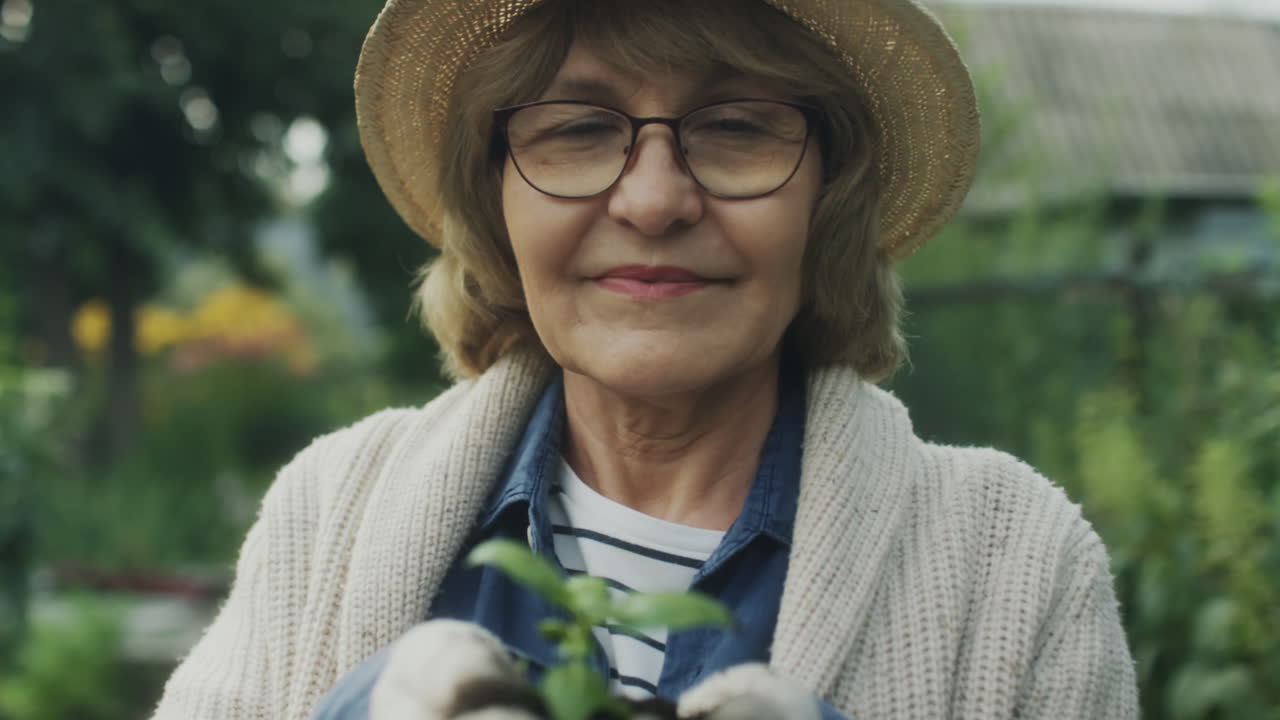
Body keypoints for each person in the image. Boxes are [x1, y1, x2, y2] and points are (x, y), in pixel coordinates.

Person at [151, 0, 1140, 718]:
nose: (653, 200)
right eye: (579, 130)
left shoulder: (1017, 566)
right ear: (495, 197)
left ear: (825, 201)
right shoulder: (327, 511)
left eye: (736, 128)